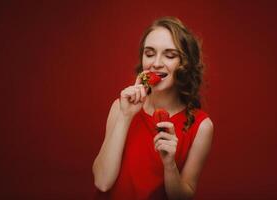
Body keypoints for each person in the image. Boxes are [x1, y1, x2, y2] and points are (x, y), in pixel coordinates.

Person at [92, 16, 214, 200]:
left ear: (185, 64)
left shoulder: (202, 126)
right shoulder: (120, 107)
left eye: (170, 55)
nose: (156, 63)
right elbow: (102, 182)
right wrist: (126, 117)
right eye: (149, 53)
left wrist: (169, 164)